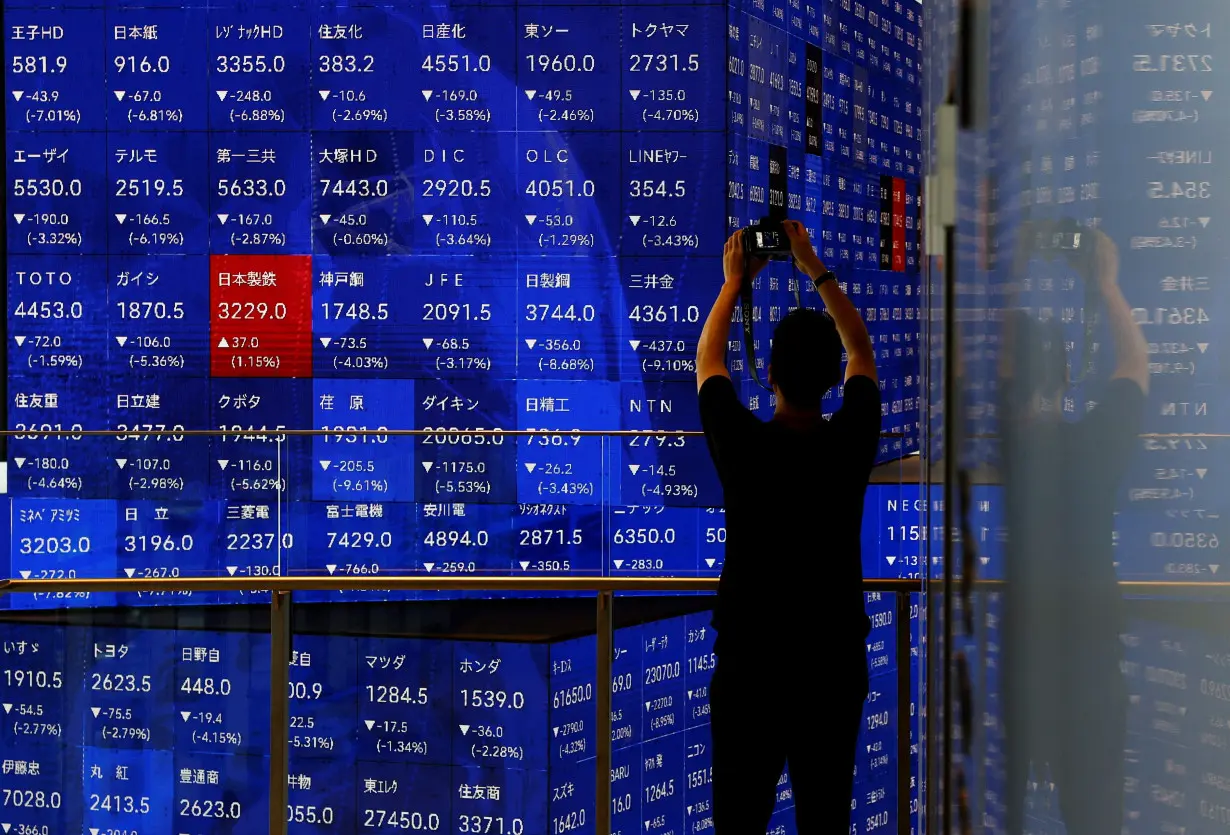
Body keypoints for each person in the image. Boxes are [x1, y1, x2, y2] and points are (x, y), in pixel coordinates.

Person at [695, 220, 882, 832]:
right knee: (825, 820)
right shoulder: (850, 445)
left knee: (738, 822)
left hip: (751, 665)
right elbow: (863, 352)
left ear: (768, 375)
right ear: (833, 380)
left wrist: (733, 284)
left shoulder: (744, 447)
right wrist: (813, 267)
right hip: (831, 666)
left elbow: (709, 362)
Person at [999, 228, 1147, 835]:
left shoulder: (1015, 449)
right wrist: (1105, 282)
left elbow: (1004, 356)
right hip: (1090, 663)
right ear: (1065, 379)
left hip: (1025, 662)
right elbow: (1135, 365)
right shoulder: (1097, 445)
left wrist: (1016, 262)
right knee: (1095, 817)